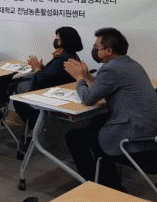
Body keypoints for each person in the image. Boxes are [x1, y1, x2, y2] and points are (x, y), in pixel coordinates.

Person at [64, 27, 157, 189]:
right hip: (149, 132)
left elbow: (88, 98)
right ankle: (109, 180)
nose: (94, 50)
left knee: (74, 137)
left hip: (134, 137)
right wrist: (87, 76)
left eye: (97, 47)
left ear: (108, 50)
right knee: (96, 122)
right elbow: (101, 88)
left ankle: (97, 185)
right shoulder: (131, 64)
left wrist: (79, 78)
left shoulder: (111, 69)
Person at [14, 26, 83, 127]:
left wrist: (37, 69)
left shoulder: (61, 60)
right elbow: (52, 74)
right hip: (57, 89)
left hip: (50, 93)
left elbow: (43, 79)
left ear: (65, 41)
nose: (55, 41)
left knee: (18, 94)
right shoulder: (72, 55)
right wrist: (42, 67)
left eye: (58, 39)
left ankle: (35, 126)